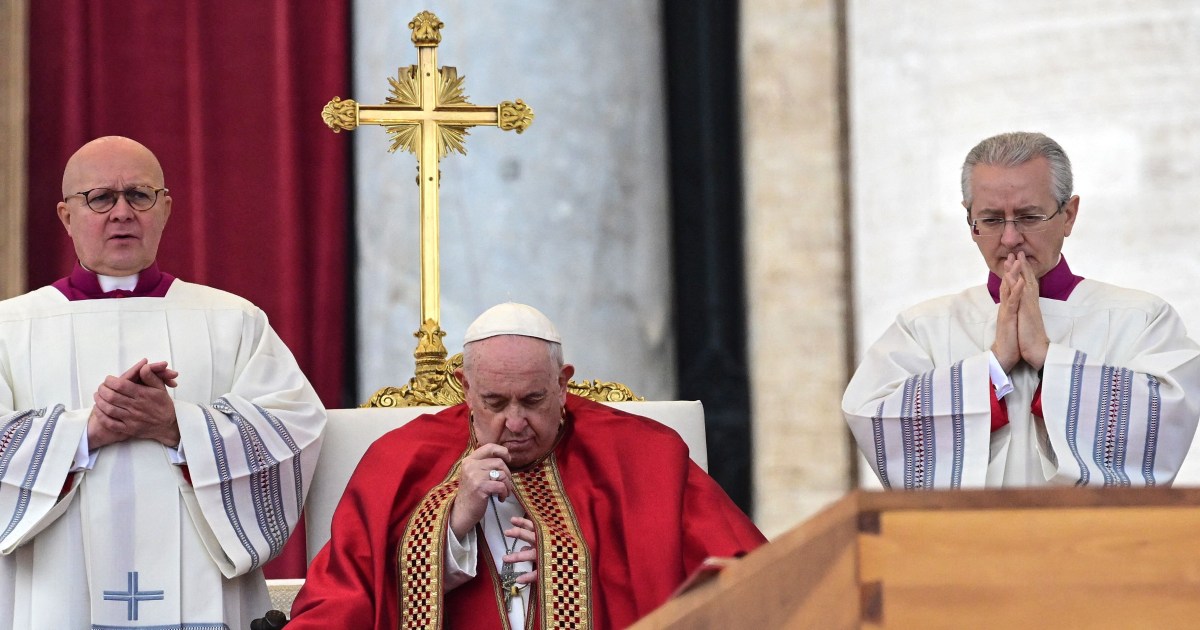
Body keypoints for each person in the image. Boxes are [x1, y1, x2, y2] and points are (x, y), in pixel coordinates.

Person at [0, 136, 326, 627]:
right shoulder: (10, 327)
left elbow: (293, 430)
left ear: (166, 208)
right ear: (67, 216)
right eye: (100, 198)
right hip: (54, 590)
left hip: (202, 585)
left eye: (139, 195)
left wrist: (178, 427)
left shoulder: (233, 320)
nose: (122, 212)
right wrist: (87, 432)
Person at [285, 302, 765, 629]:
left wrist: (580, 562)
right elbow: (347, 593)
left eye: (533, 400)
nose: (515, 422)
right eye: (494, 401)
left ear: (563, 383)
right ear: (465, 388)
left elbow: (740, 577)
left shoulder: (643, 455)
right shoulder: (402, 458)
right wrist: (449, 526)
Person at [843, 131, 1200, 489]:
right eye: (993, 219)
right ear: (971, 222)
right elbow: (872, 415)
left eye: (1029, 217)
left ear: (1069, 215)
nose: (1010, 238)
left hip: (1093, 539)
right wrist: (993, 366)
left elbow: (1167, 412)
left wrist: (1047, 359)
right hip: (970, 541)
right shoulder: (924, 328)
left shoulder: (1140, 319)